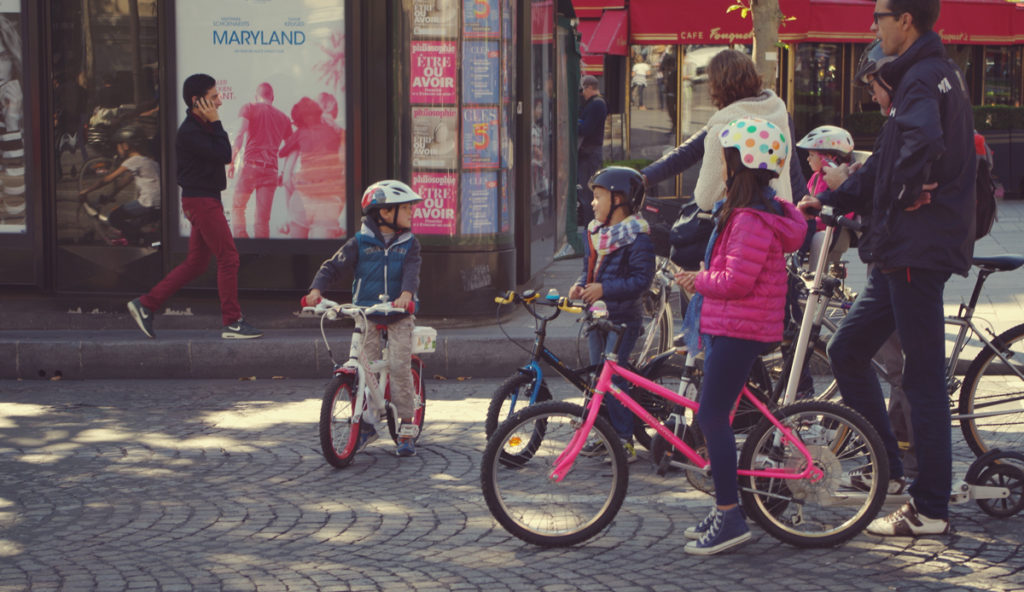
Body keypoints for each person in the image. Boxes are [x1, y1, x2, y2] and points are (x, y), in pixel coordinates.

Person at [797, 0, 975, 536]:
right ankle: (888, 473)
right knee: (847, 349)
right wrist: (839, 199)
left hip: (916, 251)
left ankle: (930, 510)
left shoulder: (922, 77)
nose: (872, 26)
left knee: (921, 380)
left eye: (879, 17)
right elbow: (887, 163)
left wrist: (896, 196)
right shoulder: (926, 76)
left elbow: (917, 147)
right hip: (899, 249)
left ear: (906, 21)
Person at [675, 117, 806, 555]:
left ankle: (730, 514)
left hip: (739, 327)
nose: (721, 166)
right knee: (717, 415)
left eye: (725, 158)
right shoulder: (748, 212)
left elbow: (736, 281)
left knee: (712, 417)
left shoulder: (750, 219)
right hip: (734, 325)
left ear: (739, 164)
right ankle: (724, 505)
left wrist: (699, 280)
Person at [127, 73, 263, 340]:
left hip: (203, 198)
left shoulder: (202, 127)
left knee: (197, 262)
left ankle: (147, 304)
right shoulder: (190, 131)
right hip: (201, 201)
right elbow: (225, 154)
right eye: (214, 98)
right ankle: (233, 321)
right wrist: (217, 122)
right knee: (229, 257)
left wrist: (214, 123)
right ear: (197, 101)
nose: (219, 102)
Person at [303, 180, 423, 457]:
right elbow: (333, 266)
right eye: (405, 208)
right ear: (384, 213)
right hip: (365, 313)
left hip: (399, 312)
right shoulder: (360, 242)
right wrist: (316, 291)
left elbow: (411, 273)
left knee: (398, 366)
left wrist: (406, 294)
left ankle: (406, 424)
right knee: (363, 366)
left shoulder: (410, 244)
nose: (411, 213)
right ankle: (367, 422)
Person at [569, 166, 655, 464]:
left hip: (623, 321)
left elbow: (640, 281)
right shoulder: (595, 233)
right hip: (596, 317)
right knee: (597, 378)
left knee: (614, 381)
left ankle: (624, 440)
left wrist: (604, 289)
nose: (592, 203)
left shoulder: (638, 237)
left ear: (620, 199)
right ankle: (603, 434)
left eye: (598, 196)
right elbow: (589, 270)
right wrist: (581, 286)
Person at [227, 82, 292, 238]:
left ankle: (243, 246)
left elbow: (239, 134)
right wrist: (285, 172)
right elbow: (291, 148)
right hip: (271, 171)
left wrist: (232, 161)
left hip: (251, 167)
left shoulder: (249, 108)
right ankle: (261, 256)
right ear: (273, 98)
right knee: (262, 221)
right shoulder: (284, 118)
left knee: (238, 208)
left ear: (256, 96)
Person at [78, 125, 160, 245]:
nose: (117, 149)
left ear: (126, 146)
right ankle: (140, 239)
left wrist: (86, 191)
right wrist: (109, 196)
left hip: (148, 202)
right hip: (159, 204)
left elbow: (107, 179)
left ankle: (135, 240)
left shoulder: (133, 161)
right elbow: (123, 183)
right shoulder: (147, 161)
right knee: (133, 225)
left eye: (118, 145)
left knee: (114, 217)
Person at [279, 97, 345, 239]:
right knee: (322, 255)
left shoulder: (301, 133)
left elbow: (285, 176)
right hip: (329, 201)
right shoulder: (339, 133)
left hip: (302, 197)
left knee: (296, 254)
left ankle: (289, 221)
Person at [796, 125, 856, 267]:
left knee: (819, 239)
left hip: (833, 232)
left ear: (828, 158)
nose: (807, 159)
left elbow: (845, 212)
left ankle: (815, 279)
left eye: (811, 155)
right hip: (816, 228)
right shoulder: (816, 177)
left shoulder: (842, 179)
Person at [576, 75, 607, 232]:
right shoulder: (593, 104)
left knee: (587, 192)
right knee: (585, 191)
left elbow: (586, 128)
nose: (582, 94)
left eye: (583, 90)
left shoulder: (596, 104)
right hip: (589, 153)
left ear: (589, 88)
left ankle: (591, 227)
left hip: (590, 153)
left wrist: (576, 123)